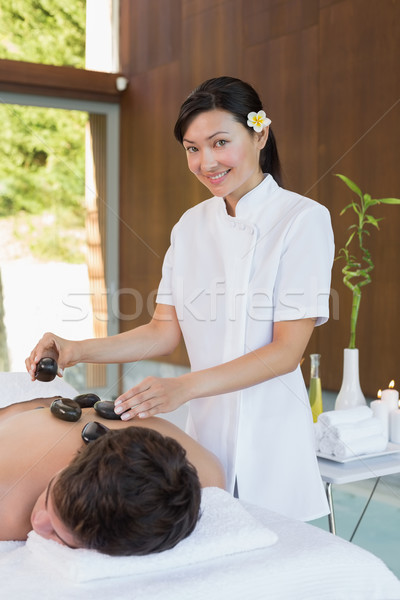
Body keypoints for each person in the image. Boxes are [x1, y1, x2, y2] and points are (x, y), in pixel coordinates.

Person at [26, 76, 334, 521]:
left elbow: (286, 353)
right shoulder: (190, 226)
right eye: (192, 148)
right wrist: (76, 349)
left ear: (260, 134)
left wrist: (182, 388)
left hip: (273, 448)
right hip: (203, 441)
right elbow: (162, 332)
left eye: (220, 142)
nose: (206, 161)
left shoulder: (302, 220)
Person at [0, 399, 225, 548]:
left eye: (58, 536)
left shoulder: (209, 473)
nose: (38, 524)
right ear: (77, 457)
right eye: (49, 494)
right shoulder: (7, 504)